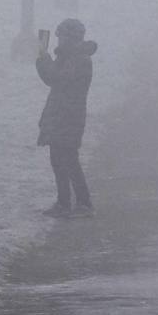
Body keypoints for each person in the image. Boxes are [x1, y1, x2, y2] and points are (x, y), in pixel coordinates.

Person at [36, 18, 98, 218]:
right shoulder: (70, 57)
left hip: (68, 117)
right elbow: (52, 78)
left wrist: (44, 58)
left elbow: (56, 78)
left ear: (70, 38)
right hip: (62, 115)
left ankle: (81, 202)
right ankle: (65, 203)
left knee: (69, 160)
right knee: (59, 160)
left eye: (61, 36)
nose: (58, 40)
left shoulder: (79, 60)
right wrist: (45, 58)